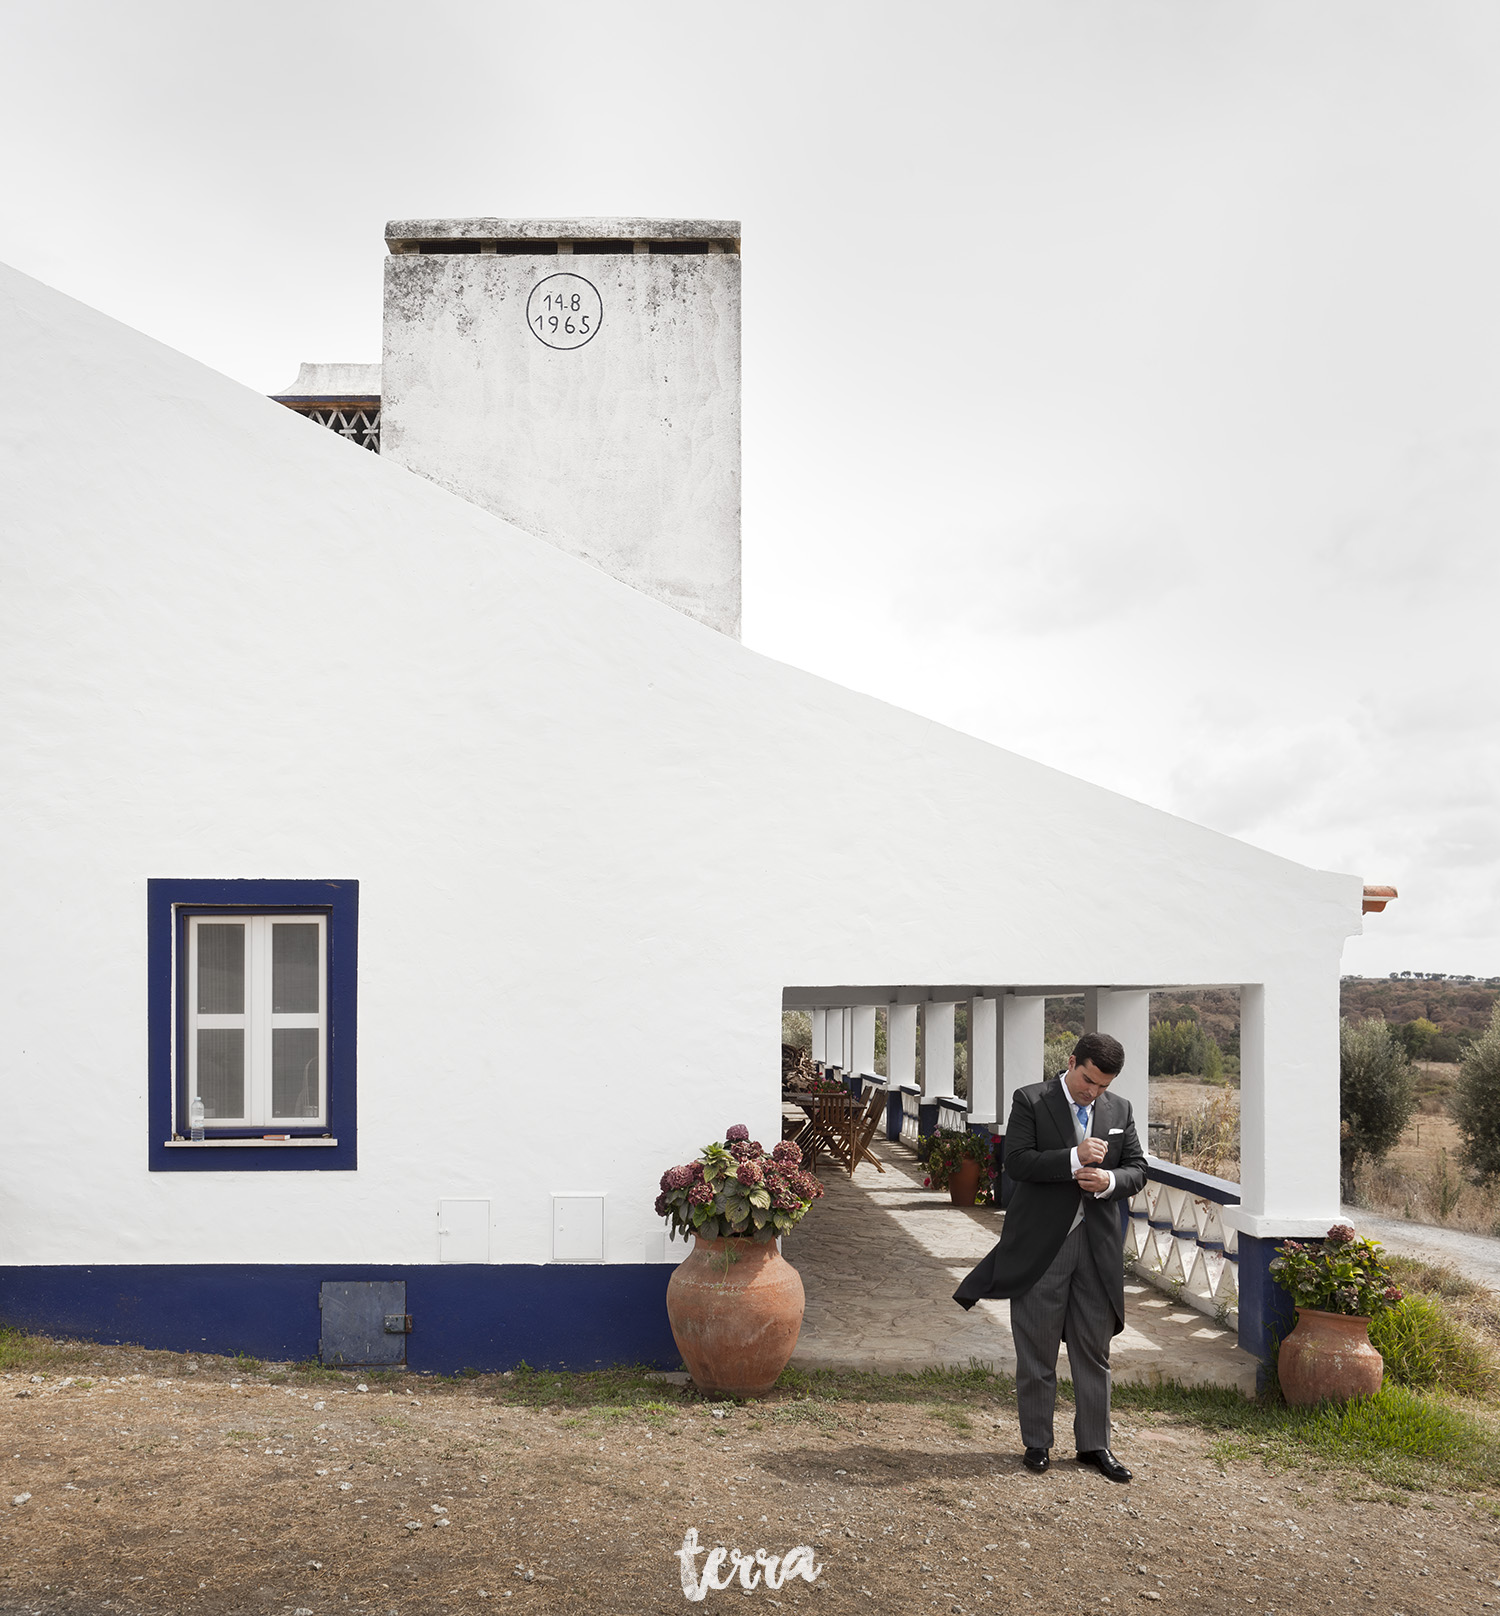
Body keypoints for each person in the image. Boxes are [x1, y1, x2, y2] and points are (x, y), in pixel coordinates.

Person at [953, 1032, 1147, 1483]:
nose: (1093, 1092)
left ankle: (1095, 1445)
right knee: (1036, 1349)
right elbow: (1016, 1163)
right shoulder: (1031, 1100)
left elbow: (1138, 1168)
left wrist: (1111, 1182)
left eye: (1102, 1085)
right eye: (1087, 1080)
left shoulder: (1120, 1110)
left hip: (1097, 1248)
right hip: (1044, 1245)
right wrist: (1072, 1159)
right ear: (1071, 1061)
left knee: (1093, 1350)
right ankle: (1037, 1442)